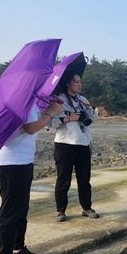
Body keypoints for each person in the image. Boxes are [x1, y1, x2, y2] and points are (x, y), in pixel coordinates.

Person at [0, 100, 64, 254]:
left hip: (21, 161)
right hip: (9, 162)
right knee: (11, 208)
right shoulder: (23, 102)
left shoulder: (32, 103)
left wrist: (47, 108)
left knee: (21, 207)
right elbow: (30, 128)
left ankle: (17, 247)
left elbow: (34, 122)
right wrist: (52, 112)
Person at [50, 73, 99, 222]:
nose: (79, 84)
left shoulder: (82, 99)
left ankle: (87, 208)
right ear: (67, 83)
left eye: (80, 82)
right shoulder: (58, 100)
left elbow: (93, 119)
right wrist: (68, 118)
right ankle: (60, 210)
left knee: (84, 179)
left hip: (83, 143)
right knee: (63, 179)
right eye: (76, 82)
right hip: (65, 144)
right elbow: (49, 122)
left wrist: (89, 107)